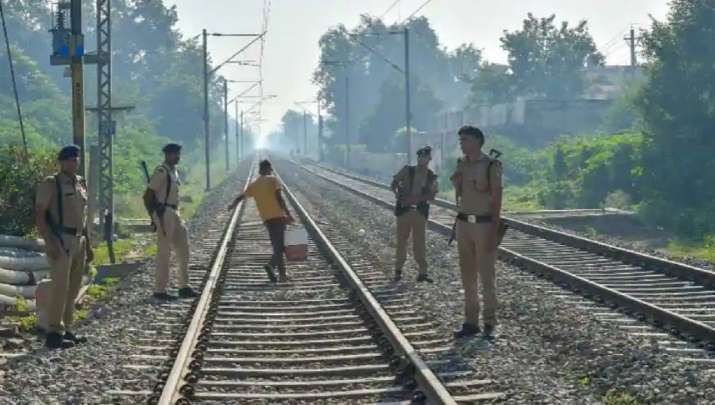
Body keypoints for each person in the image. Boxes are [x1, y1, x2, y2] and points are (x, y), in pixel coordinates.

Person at [35, 145, 93, 349]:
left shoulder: (80, 183)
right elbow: (40, 214)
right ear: (61, 162)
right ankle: (53, 332)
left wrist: (89, 245)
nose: (72, 162)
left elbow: (83, 217)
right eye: (68, 159)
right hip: (61, 239)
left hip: (79, 240)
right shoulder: (52, 183)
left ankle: (67, 328)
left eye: (75, 159)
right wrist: (49, 242)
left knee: (74, 287)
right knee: (60, 287)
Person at [450, 126, 503, 339]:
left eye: (466, 139)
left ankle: (490, 323)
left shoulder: (491, 165)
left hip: (484, 225)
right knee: (467, 276)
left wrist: (493, 230)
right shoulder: (462, 164)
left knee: (487, 276)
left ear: (478, 141)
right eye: (460, 139)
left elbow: (497, 199)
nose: (462, 143)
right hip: (463, 224)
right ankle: (471, 322)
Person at [143, 143, 198, 300]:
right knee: (164, 252)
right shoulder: (161, 171)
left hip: (174, 212)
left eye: (178, 154)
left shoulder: (174, 172)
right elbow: (148, 196)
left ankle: (183, 286)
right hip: (164, 213)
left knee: (183, 248)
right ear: (167, 155)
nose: (177, 156)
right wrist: (154, 217)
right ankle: (160, 290)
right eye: (174, 154)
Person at [228, 160, 295, 282]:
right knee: (282, 246)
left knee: (278, 246)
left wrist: (232, 205)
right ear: (269, 169)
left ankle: (282, 274)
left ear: (260, 170)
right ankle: (274, 268)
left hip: (267, 219)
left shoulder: (254, 185)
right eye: (271, 169)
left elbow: (241, 196)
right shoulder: (273, 180)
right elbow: (280, 199)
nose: (271, 171)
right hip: (278, 217)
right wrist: (288, 214)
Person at [390, 146, 438, 283]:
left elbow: (432, 195)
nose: (423, 159)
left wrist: (418, 199)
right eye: (421, 157)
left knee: (420, 243)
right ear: (418, 158)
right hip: (404, 211)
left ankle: (423, 272)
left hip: (419, 213)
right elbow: (394, 183)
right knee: (401, 242)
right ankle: (398, 271)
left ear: (429, 159)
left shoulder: (431, 176)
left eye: (425, 157)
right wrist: (398, 195)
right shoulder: (407, 170)